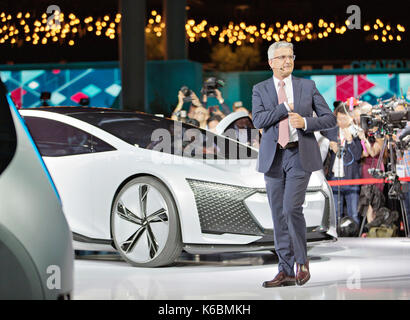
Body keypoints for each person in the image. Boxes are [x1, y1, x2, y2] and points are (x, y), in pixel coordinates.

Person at [252, 41, 336, 287]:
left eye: (290, 56)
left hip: (299, 154)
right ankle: (285, 270)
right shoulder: (260, 89)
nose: (287, 61)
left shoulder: (307, 86)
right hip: (273, 157)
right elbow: (258, 119)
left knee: (291, 208)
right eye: (281, 57)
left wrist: (307, 123)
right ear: (271, 62)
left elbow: (329, 118)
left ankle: (301, 261)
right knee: (278, 215)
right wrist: (283, 109)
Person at [327, 104, 363, 225]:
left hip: (351, 177)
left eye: (344, 119)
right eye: (338, 119)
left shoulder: (356, 132)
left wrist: (350, 141)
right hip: (334, 176)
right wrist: (330, 146)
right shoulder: (332, 132)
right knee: (336, 212)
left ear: (350, 118)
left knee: (353, 213)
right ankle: (337, 237)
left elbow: (358, 155)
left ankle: (356, 238)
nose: (341, 122)